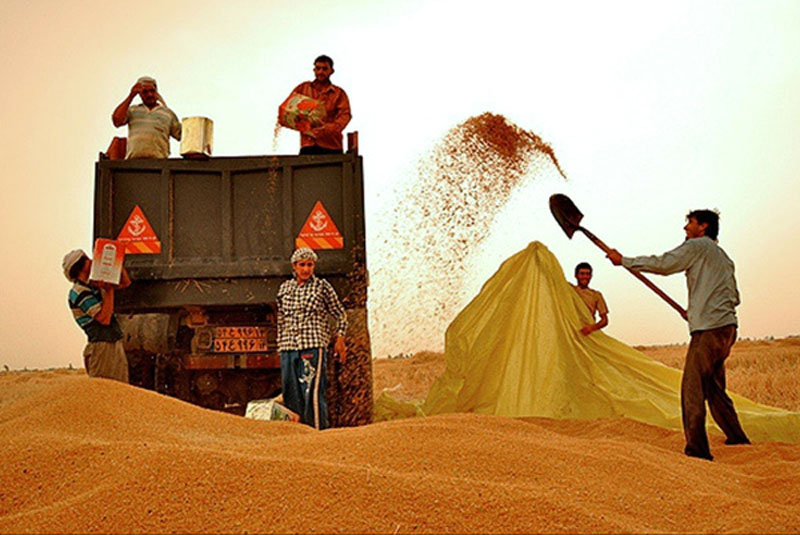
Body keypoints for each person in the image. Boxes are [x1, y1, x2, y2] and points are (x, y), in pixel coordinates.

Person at [606, 209, 750, 461]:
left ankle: (697, 451)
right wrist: (696, 311)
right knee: (715, 388)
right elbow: (734, 297)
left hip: (708, 329)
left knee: (692, 389)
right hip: (727, 328)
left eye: (690, 223)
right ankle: (737, 438)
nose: (685, 228)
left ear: (703, 227)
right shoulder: (723, 257)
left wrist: (624, 260)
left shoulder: (698, 246)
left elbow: (665, 263)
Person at [276, 247, 348, 429]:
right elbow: (281, 319)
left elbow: (340, 314)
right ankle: (296, 435)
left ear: (314, 266)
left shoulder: (322, 287)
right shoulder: (285, 288)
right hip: (288, 347)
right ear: (294, 266)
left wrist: (340, 339)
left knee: (312, 394)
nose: (306, 269)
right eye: (302, 265)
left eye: (309, 265)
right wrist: (280, 347)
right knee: (291, 393)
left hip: (313, 345)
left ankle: (318, 435)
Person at [63, 249, 131, 383]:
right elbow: (104, 318)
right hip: (101, 347)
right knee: (105, 390)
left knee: (120, 390)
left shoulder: (93, 285)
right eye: (88, 259)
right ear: (82, 266)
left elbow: (125, 283)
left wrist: (117, 265)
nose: (92, 261)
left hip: (112, 342)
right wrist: (109, 289)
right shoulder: (79, 292)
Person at [280, 55, 351, 155]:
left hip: (331, 146)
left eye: (324, 69)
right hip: (308, 145)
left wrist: (328, 128)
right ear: (314, 70)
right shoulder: (302, 89)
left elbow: (345, 115)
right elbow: (289, 108)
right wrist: (303, 125)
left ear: (332, 71)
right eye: (318, 68)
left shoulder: (339, 93)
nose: (320, 72)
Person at [112, 76, 181, 159]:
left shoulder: (167, 113)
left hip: (159, 163)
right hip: (133, 162)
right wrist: (131, 96)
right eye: (145, 92)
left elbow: (181, 135)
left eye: (152, 91)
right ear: (139, 94)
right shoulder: (133, 110)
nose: (149, 94)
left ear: (156, 92)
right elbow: (117, 121)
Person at [571, 262, 609, 335]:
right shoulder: (570, 290)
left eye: (587, 274)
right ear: (576, 275)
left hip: (588, 333)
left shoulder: (596, 295)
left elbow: (605, 320)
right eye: (582, 274)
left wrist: (591, 328)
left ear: (591, 276)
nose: (585, 276)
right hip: (572, 332)